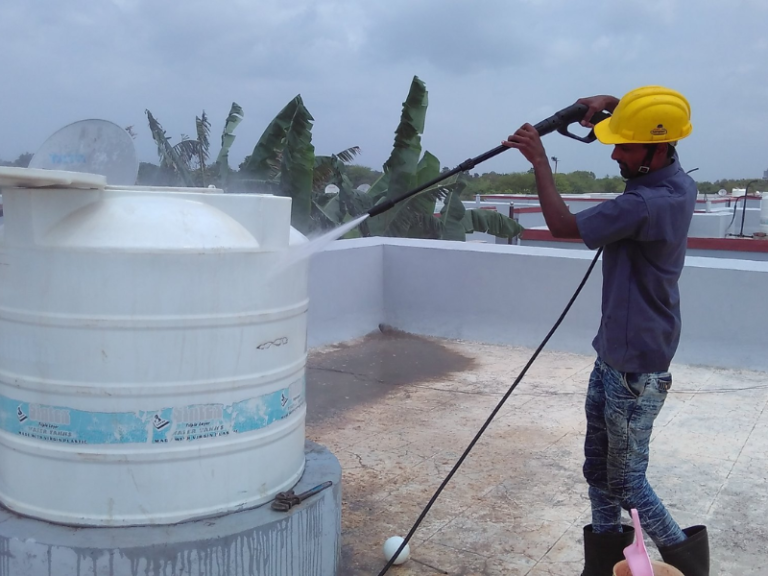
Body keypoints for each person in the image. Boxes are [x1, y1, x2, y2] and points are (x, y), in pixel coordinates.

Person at [502, 86, 709, 576]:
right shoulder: (679, 181)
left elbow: (560, 225)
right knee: (598, 471)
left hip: (636, 366)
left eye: (625, 145)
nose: (614, 153)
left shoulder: (645, 204)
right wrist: (613, 103)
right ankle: (603, 568)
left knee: (629, 484)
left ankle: (692, 568)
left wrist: (540, 162)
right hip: (615, 353)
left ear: (657, 150)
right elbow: (647, 125)